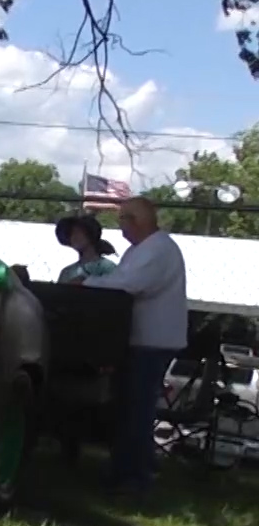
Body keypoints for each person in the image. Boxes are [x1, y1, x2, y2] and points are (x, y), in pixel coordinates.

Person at [70, 196, 189, 497]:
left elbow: (129, 283)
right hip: (142, 339)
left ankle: (134, 477)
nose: (120, 226)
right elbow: (121, 279)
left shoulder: (157, 249)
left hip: (151, 341)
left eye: (123, 219)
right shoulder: (143, 250)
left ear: (138, 221)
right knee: (131, 407)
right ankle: (133, 467)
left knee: (136, 408)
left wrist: (87, 286)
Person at [54, 211, 118, 283]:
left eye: (78, 233)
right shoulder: (67, 272)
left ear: (90, 234)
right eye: (71, 234)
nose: (74, 237)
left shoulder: (108, 268)